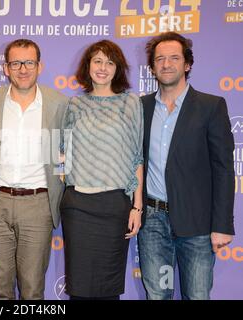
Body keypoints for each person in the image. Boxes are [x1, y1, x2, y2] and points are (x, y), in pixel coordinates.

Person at [138, 32, 235, 300]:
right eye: (160, 59)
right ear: (152, 66)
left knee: (197, 295)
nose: (166, 64)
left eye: (174, 58)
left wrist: (223, 224)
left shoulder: (211, 106)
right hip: (153, 222)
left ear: (187, 64)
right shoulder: (141, 107)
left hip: (198, 224)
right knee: (158, 295)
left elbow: (224, 169)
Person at [0, 39, 68, 299]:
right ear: (6, 68)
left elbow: (68, 149)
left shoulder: (58, 103)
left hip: (38, 204)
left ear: (40, 66)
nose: (23, 69)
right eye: (16, 63)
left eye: (29, 62)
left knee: (32, 289)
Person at [60, 40, 143, 300]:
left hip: (114, 206)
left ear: (117, 68)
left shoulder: (130, 103)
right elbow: (61, 151)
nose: (103, 68)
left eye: (110, 62)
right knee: (79, 289)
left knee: (108, 289)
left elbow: (137, 158)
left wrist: (137, 207)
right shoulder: (75, 105)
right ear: (88, 66)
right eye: (98, 61)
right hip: (78, 206)